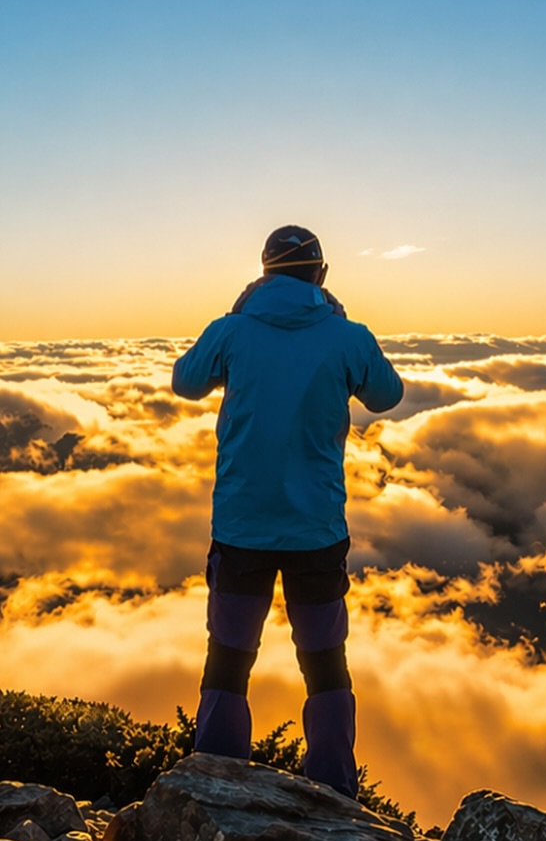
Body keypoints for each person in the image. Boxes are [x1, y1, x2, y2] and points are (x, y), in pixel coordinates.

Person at [171, 224, 404, 796]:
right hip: (316, 532)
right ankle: (334, 789)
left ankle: (217, 784)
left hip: (241, 528)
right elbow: (387, 395)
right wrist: (338, 320)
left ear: (263, 274)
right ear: (321, 276)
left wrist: (237, 315)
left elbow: (186, 383)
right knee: (324, 661)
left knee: (229, 657)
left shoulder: (232, 330)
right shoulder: (348, 336)